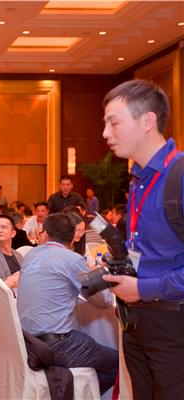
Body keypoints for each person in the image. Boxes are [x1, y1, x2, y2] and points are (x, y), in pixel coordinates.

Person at [101, 79, 184, 399]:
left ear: (148, 121)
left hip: (173, 324)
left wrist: (143, 289)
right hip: (138, 321)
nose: (105, 133)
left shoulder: (178, 176)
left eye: (114, 123)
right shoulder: (139, 179)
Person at [17, 213, 118, 394]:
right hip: (56, 345)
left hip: (27, 340)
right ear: (72, 237)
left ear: (45, 233)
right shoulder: (72, 259)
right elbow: (103, 301)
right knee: (116, 363)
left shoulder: (31, 255)